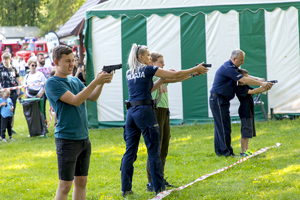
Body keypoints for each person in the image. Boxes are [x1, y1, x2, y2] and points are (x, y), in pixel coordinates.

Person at [120, 44, 209, 197]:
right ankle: (159, 189)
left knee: (130, 152)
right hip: (145, 111)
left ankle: (126, 189)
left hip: (131, 113)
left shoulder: (130, 72)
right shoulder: (148, 69)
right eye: (148, 56)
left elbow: (148, 89)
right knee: (154, 151)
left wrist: (161, 80)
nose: (150, 58)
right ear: (140, 57)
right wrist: (195, 69)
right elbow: (175, 75)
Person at [45, 45, 113, 200]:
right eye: (67, 61)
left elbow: (92, 97)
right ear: (56, 61)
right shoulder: (52, 83)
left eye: (72, 60)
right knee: (65, 185)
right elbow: (75, 101)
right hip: (67, 139)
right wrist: (96, 81)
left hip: (83, 137)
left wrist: (101, 81)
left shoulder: (75, 80)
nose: (71, 64)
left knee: (81, 182)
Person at [146, 52, 201, 192]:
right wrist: (194, 70)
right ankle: (151, 182)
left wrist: (194, 74)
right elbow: (176, 75)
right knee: (155, 148)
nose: (163, 64)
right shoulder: (153, 74)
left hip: (164, 111)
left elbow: (176, 79)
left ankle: (160, 178)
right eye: (160, 62)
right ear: (152, 63)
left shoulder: (161, 76)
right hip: (156, 111)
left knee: (164, 146)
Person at [209, 49, 273, 157]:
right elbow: (245, 80)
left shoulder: (233, 67)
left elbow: (245, 76)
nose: (242, 62)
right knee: (224, 126)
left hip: (220, 99)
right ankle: (226, 153)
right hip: (218, 99)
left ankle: (220, 151)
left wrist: (259, 80)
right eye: (241, 60)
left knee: (220, 126)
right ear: (234, 59)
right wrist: (262, 84)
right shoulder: (228, 68)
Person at [235, 68, 270, 156]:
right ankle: (242, 151)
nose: (248, 80)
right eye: (246, 78)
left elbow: (257, 91)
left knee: (248, 132)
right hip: (244, 111)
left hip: (249, 111)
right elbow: (253, 91)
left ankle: (246, 150)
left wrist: (266, 87)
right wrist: (263, 86)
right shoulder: (239, 88)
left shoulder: (245, 86)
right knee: (245, 132)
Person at [0, 52, 21, 135]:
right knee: (2, 112)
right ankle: (2, 130)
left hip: (12, 93)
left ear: (10, 59)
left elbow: (18, 79)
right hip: (3, 94)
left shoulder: (14, 69)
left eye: (6, 59)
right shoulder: (0, 69)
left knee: (11, 111)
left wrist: (19, 90)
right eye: (3, 59)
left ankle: (11, 129)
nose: (5, 61)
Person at [36, 53, 53, 120]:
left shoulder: (48, 66)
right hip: (41, 90)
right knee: (42, 107)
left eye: (44, 58)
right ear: (37, 59)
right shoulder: (36, 68)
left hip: (50, 89)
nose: (43, 60)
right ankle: (44, 122)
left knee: (55, 105)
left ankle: (57, 121)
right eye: (41, 58)